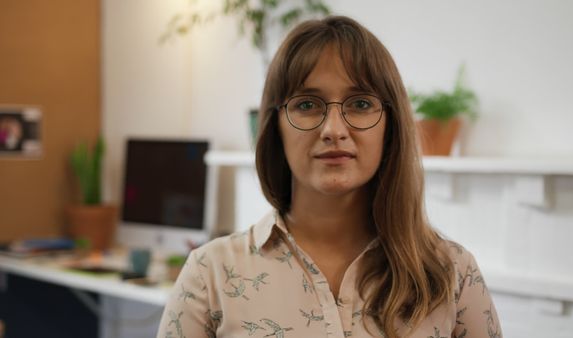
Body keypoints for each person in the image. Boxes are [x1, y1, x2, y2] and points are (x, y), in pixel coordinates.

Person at [157, 16, 501, 338]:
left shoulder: (452, 272)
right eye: (307, 105)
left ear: (390, 124)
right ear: (275, 125)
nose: (334, 130)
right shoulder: (209, 275)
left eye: (361, 103)